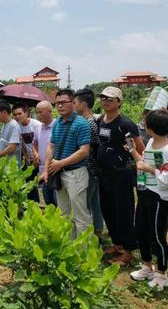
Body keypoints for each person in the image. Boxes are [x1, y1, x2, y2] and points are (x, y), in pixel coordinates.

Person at [128, 110, 168, 291]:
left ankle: (162, 273)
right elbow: (144, 162)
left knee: (156, 236)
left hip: (161, 197)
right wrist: (133, 152)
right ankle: (147, 266)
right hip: (146, 191)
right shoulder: (151, 142)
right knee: (140, 230)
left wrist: (149, 169)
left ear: (150, 128)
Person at [97, 86, 145, 267]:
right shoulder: (101, 120)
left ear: (119, 102)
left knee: (124, 212)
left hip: (121, 174)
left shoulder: (125, 124)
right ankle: (117, 244)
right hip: (105, 174)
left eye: (110, 99)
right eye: (103, 98)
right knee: (108, 210)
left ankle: (128, 250)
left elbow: (139, 148)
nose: (105, 101)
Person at [41, 89, 91, 239]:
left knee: (80, 214)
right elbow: (51, 146)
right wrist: (47, 168)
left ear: (72, 103)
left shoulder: (81, 123)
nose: (60, 106)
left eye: (64, 102)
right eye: (57, 103)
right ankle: (68, 247)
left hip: (75, 173)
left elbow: (84, 151)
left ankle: (84, 251)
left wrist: (60, 163)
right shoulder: (58, 123)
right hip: (58, 172)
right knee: (64, 213)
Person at [73, 88, 104, 238]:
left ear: (83, 104)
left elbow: (91, 148)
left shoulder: (88, 123)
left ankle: (88, 235)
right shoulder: (94, 121)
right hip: (94, 168)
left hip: (89, 168)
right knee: (95, 201)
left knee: (85, 203)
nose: (73, 105)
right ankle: (98, 230)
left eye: (75, 103)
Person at [12, 102, 41, 202]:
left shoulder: (37, 125)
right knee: (30, 184)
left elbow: (42, 142)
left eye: (20, 114)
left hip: (40, 158)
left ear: (26, 113)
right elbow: (22, 144)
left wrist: (38, 157)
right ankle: (33, 205)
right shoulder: (17, 126)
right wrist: (26, 157)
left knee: (43, 183)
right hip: (29, 159)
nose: (17, 116)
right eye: (15, 114)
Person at [33, 101, 57, 205]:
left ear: (50, 111)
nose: (38, 115)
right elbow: (34, 143)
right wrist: (36, 153)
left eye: (40, 112)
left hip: (55, 169)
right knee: (48, 200)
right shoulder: (38, 127)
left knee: (58, 201)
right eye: (37, 112)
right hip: (43, 169)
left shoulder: (57, 126)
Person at [0, 100, 22, 166]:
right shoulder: (5, 125)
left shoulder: (13, 125)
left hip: (12, 167)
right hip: (5, 165)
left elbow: (12, 147)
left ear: (4, 112)